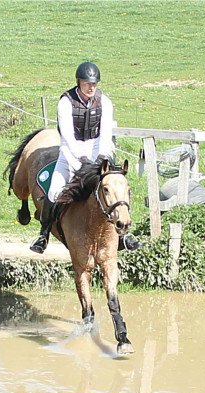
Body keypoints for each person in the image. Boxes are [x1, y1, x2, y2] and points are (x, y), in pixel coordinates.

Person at [30, 61, 140, 254]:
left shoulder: (104, 101)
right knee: (54, 191)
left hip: (98, 155)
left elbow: (105, 134)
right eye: (87, 83)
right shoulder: (66, 102)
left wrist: (102, 159)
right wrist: (80, 160)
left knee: (117, 189)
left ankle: (123, 235)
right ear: (78, 82)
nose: (91, 87)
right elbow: (67, 136)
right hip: (70, 155)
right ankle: (43, 234)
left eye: (94, 84)